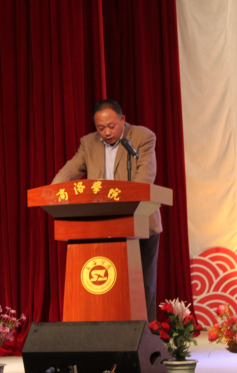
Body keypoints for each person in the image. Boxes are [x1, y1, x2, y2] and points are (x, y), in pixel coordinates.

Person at [51, 99, 161, 322]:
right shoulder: (88, 143)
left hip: (139, 221)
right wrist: (52, 191)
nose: (107, 132)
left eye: (111, 126)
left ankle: (145, 334)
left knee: (142, 285)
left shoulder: (143, 137)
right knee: (109, 287)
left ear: (122, 119)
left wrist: (126, 201)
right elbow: (70, 170)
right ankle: (106, 333)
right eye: (101, 128)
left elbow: (144, 179)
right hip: (101, 226)